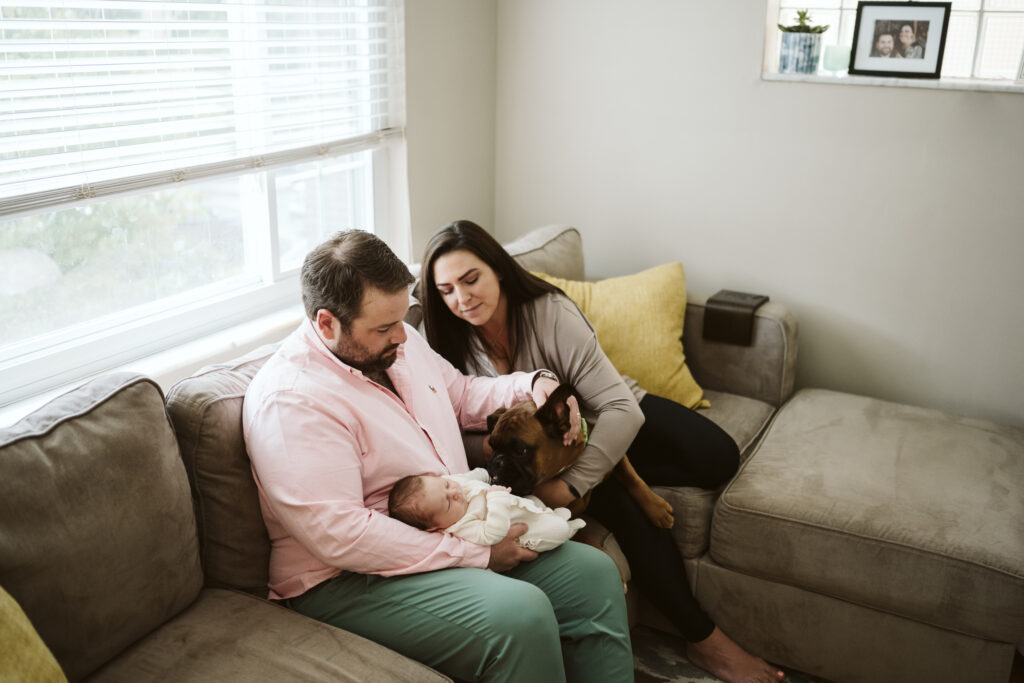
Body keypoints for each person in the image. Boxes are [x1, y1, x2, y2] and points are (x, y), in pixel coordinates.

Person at [242, 229, 633, 683]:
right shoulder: (291, 400)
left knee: (594, 577)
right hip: (345, 579)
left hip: (457, 524)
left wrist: (533, 384)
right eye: (384, 328)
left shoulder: (398, 342)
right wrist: (473, 554)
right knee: (520, 616)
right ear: (327, 323)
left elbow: (462, 394)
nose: (402, 339)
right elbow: (341, 535)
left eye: (400, 319)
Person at [419, 220, 786, 683]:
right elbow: (459, 433)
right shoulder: (445, 342)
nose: (461, 299)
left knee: (717, 456)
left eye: (471, 280)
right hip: (542, 450)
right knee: (626, 508)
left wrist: (574, 478)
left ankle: (609, 471)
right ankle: (706, 642)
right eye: (446, 289)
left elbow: (623, 411)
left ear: (498, 268)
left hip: (612, 408)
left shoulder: (547, 310)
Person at [389, 468, 586, 552]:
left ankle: (547, 513)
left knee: (534, 501)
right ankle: (567, 529)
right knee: (556, 530)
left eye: (447, 485)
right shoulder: (462, 527)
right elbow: (493, 533)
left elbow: (470, 477)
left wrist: (484, 474)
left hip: (519, 506)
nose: (454, 493)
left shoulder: (451, 484)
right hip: (523, 530)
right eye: (448, 504)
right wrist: (496, 498)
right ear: (435, 527)